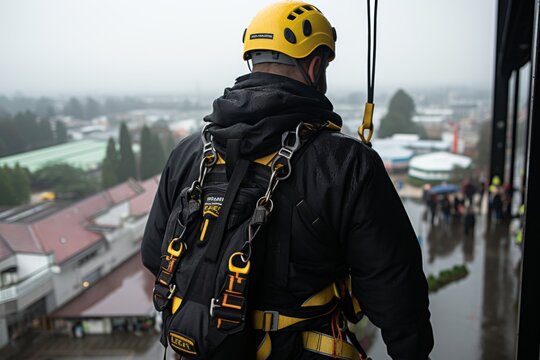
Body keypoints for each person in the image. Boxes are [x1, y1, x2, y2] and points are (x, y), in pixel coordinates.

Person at [141, 2, 433, 359]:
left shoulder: (188, 152)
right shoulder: (345, 163)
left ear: (253, 61)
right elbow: (395, 288)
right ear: (315, 66)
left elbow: (154, 253)